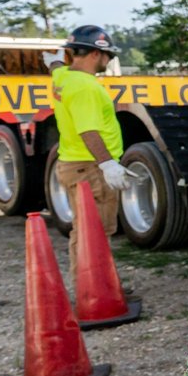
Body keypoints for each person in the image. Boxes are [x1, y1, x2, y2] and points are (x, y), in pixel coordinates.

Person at [48, 25, 129, 260]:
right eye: (109, 55)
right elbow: (88, 131)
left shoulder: (64, 77)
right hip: (90, 167)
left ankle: (97, 288)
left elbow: (56, 70)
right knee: (95, 232)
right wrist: (108, 164)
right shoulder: (86, 87)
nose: (109, 60)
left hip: (75, 164)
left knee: (86, 229)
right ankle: (94, 294)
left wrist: (54, 63)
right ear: (96, 53)